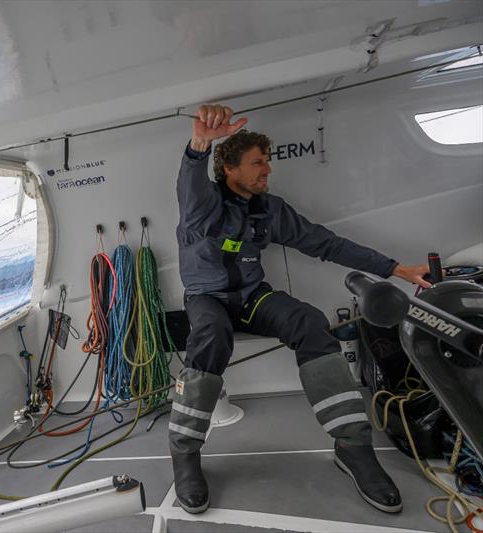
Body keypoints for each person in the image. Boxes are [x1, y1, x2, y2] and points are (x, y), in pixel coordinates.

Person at [170, 104, 431, 515]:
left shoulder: (270, 209)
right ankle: (184, 454)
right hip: (207, 299)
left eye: (268, 163)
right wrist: (199, 145)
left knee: (309, 321)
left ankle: (352, 446)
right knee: (210, 335)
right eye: (258, 163)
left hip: (253, 297)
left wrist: (395, 269)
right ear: (230, 169)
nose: (267, 170)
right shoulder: (202, 204)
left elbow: (325, 243)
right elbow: (190, 181)